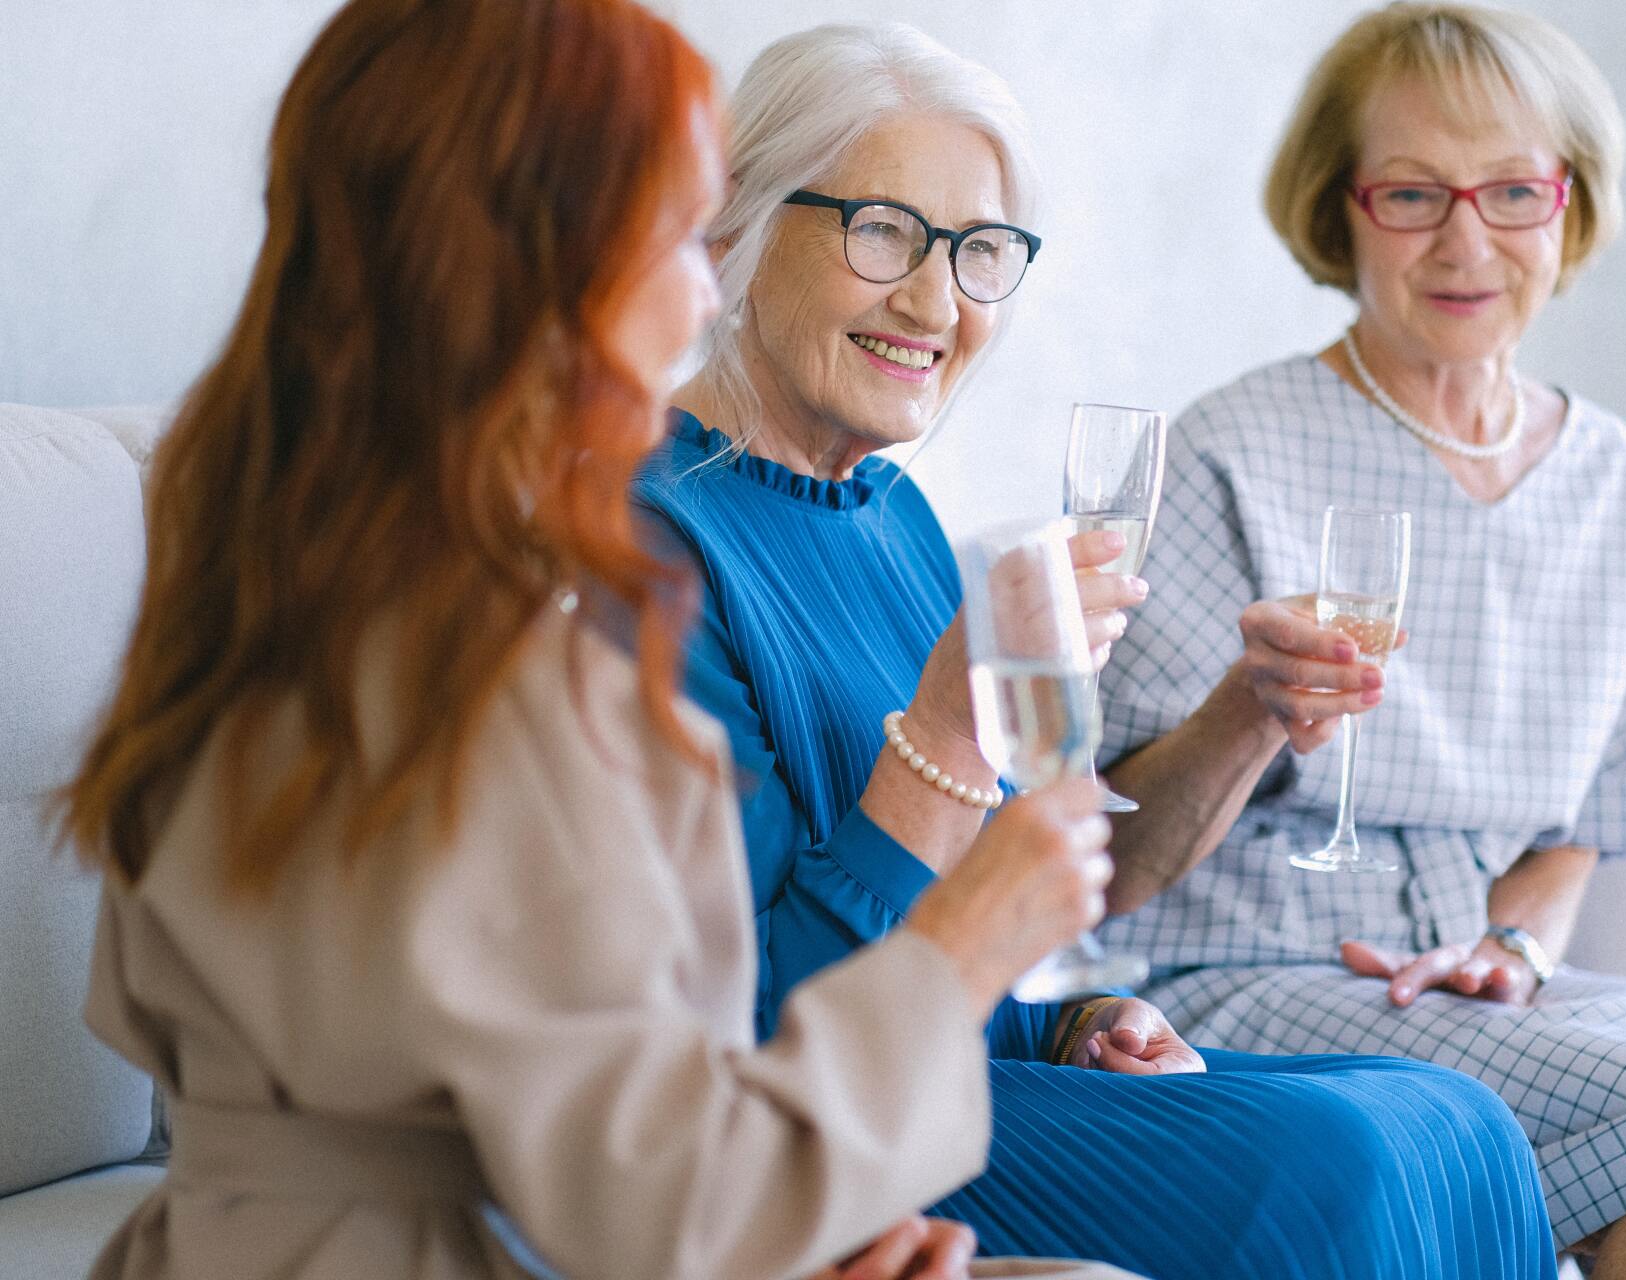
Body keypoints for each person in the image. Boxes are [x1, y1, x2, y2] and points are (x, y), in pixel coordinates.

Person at [59, 3, 1146, 1277]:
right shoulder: (505, 653)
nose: (706, 291)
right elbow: (659, 1202)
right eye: (683, 236)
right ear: (538, 260)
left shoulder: (267, 561)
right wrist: (969, 941)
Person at [637, 21, 1558, 1280]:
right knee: (1337, 1162)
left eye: (978, 253)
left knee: (1460, 1118)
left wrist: (1078, 1017)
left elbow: (992, 905)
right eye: (883, 231)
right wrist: (950, 731)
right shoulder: (650, 541)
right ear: (739, 223)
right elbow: (746, 1022)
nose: (934, 300)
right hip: (809, 1121)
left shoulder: (896, 516)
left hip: (975, 1064)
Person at [1093, 4, 1626, 1276]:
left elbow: (1590, 817)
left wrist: (1511, 945)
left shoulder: (1621, 481)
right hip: (1238, 972)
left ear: (1567, 209)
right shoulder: (1235, 446)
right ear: (1339, 208)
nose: (1467, 240)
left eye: (1513, 190)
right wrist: (1249, 706)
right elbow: (1116, 861)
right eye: (1411, 193)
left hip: (1460, 981)